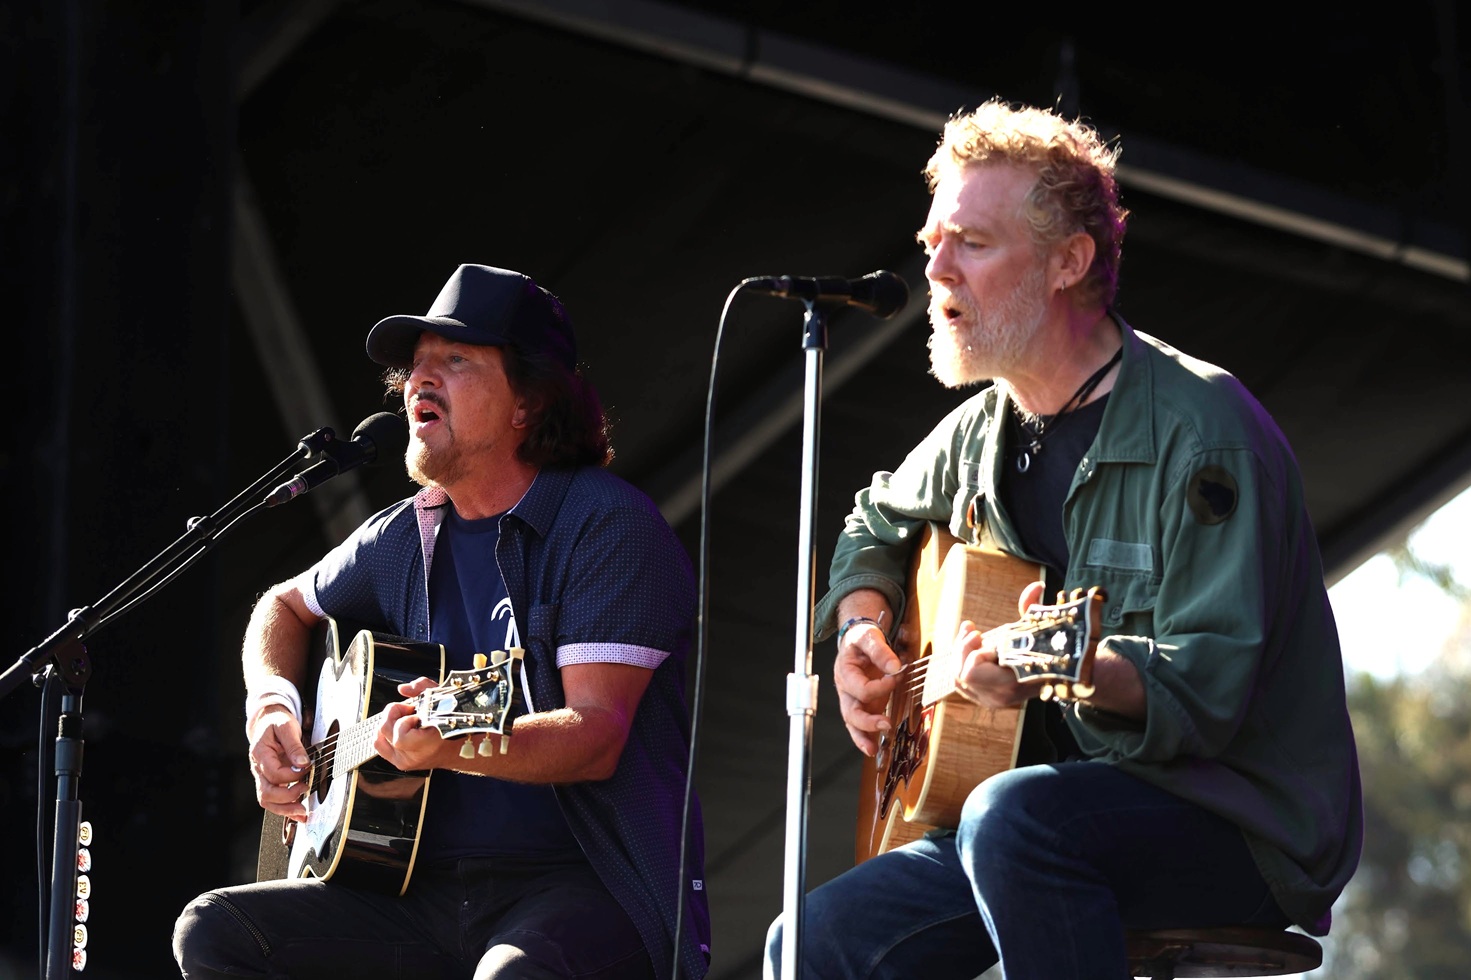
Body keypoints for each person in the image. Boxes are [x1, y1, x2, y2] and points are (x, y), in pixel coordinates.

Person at [764, 100, 1362, 978]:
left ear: (1068, 262)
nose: (934, 269)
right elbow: (872, 521)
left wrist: (1072, 668)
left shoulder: (1204, 429)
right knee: (807, 946)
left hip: (1234, 819)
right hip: (1024, 819)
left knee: (1014, 819)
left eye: (970, 243)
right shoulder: (978, 431)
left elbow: (1206, 686)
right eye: (931, 240)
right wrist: (859, 628)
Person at [173, 264, 711, 980]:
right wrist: (272, 705)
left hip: (586, 886)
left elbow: (594, 738)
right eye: (414, 368)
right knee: (215, 930)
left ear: (528, 402)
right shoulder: (401, 536)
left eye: (454, 360)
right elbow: (283, 605)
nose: (419, 382)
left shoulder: (607, 527)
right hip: (413, 894)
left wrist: (450, 744)